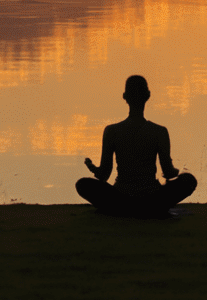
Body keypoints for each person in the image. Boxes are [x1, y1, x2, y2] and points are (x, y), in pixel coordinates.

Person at [76, 75, 198, 218]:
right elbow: (169, 172)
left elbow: (104, 175)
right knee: (188, 180)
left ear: (124, 97)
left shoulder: (112, 131)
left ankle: (119, 209)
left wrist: (95, 169)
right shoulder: (159, 132)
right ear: (148, 96)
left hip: (121, 199)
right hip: (151, 200)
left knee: (82, 185)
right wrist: (181, 171)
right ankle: (150, 209)